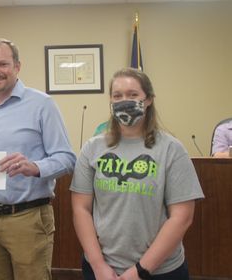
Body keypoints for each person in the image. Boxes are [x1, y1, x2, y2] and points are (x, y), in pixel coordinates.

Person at [70, 68, 204, 280]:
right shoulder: (92, 148)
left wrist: (140, 271)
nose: (124, 100)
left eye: (133, 95)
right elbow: (81, 209)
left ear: (148, 99)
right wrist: (98, 266)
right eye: (117, 96)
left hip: (160, 270)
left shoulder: (171, 149)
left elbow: (182, 217)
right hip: (103, 269)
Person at [0, 38, 76, 280]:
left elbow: (67, 158)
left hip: (27, 218)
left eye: (3, 64)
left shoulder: (42, 104)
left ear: (17, 66)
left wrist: (35, 167)